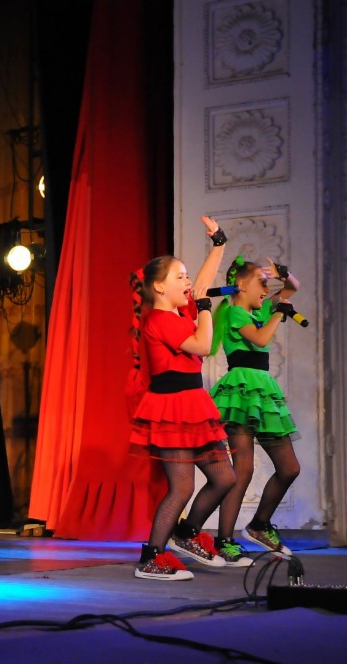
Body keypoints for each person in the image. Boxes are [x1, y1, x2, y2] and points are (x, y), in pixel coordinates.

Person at [129, 215, 236, 580]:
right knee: (183, 487)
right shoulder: (159, 320)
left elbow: (202, 286)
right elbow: (203, 345)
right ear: (159, 286)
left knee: (225, 478)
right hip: (171, 407)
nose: (188, 283)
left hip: (194, 404)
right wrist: (204, 309)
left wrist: (218, 244)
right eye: (180, 277)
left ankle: (187, 533)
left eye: (186, 276)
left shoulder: (178, 312)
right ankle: (152, 557)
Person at [208, 256, 300, 564]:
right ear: (241, 285)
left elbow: (292, 287)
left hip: (264, 392)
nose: (266, 290)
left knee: (289, 468)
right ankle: (224, 540)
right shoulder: (235, 312)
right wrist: (279, 312)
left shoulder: (259, 311)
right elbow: (260, 340)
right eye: (261, 283)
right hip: (241, 391)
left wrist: (282, 274)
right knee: (243, 469)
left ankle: (260, 524)